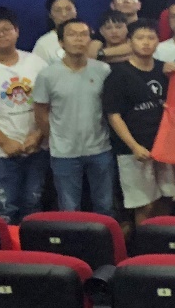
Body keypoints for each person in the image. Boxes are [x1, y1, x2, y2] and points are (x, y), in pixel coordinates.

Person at [0, 7, 48, 222]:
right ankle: (6, 245)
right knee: (5, 207)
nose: (2, 34)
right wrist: (5, 142)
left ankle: (31, 244)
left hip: (35, 147)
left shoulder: (36, 63)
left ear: (17, 31)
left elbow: (50, 103)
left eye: (7, 29)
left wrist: (38, 135)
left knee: (34, 204)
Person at [32, 19, 114, 215]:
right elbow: (41, 112)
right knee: (69, 209)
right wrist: (54, 138)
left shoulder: (103, 70)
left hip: (100, 148)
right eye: (72, 35)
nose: (79, 39)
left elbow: (110, 109)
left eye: (83, 34)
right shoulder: (47, 75)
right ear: (61, 42)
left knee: (105, 205)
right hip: (64, 152)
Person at [103, 20, 175, 226]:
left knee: (167, 198)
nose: (146, 42)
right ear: (129, 42)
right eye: (140, 38)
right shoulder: (118, 74)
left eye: (151, 38)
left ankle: (163, 240)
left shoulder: (165, 70)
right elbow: (114, 115)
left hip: (163, 147)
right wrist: (134, 146)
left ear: (158, 42)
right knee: (145, 205)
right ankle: (145, 243)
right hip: (133, 150)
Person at [33, 0, 82, 64]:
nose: (64, 14)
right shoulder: (44, 43)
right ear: (50, 15)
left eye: (68, 9)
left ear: (76, 10)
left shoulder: (88, 37)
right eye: (58, 10)